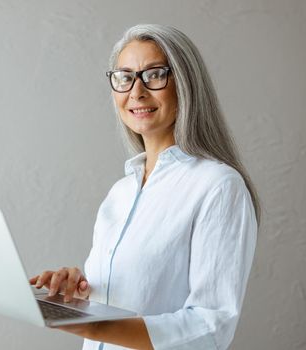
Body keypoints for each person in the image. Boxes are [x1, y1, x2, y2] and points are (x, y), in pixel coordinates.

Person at [29, 24, 260, 350]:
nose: (136, 91)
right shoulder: (120, 193)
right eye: (124, 77)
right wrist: (79, 293)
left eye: (154, 74)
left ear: (185, 84)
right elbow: (136, 294)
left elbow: (211, 326)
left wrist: (95, 327)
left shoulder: (218, 187)